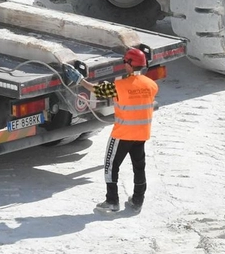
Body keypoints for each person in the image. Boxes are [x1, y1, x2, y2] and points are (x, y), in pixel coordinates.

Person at [66, 47, 158, 214]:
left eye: (125, 63)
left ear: (130, 65)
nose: (124, 65)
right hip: (141, 133)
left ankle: (112, 201)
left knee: (111, 166)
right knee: (139, 166)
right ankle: (138, 200)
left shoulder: (119, 86)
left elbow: (97, 90)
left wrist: (80, 80)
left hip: (122, 134)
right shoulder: (151, 85)